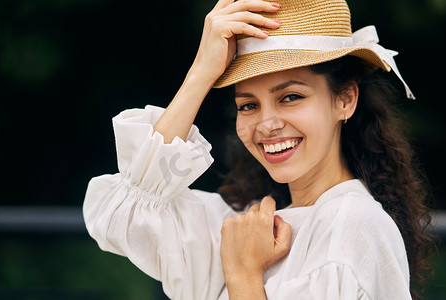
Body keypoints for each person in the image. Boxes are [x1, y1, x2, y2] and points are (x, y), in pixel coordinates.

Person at [83, 0, 436, 299]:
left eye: (291, 97)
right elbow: (124, 215)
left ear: (345, 99)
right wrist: (201, 72)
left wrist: (244, 278)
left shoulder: (352, 226)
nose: (267, 124)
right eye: (248, 105)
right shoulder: (247, 229)